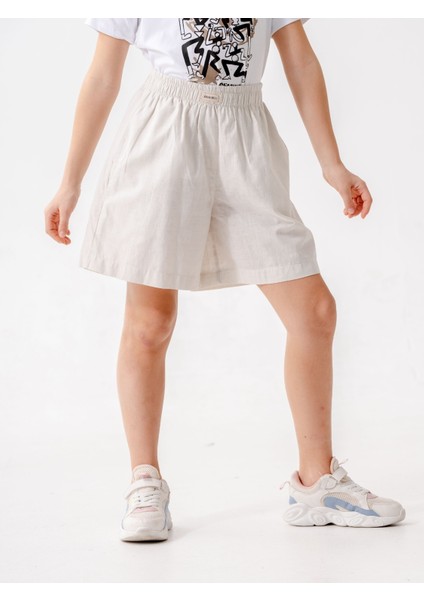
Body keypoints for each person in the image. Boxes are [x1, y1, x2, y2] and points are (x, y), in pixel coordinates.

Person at [44, 18, 406, 541]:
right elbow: (102, 75)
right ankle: (145, 481)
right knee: (150, 323)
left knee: (314, 311)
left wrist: (332, 164)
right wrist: (69, 182)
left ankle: (316, 483)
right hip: (164, 133)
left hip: (245, 135)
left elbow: (301, 62)